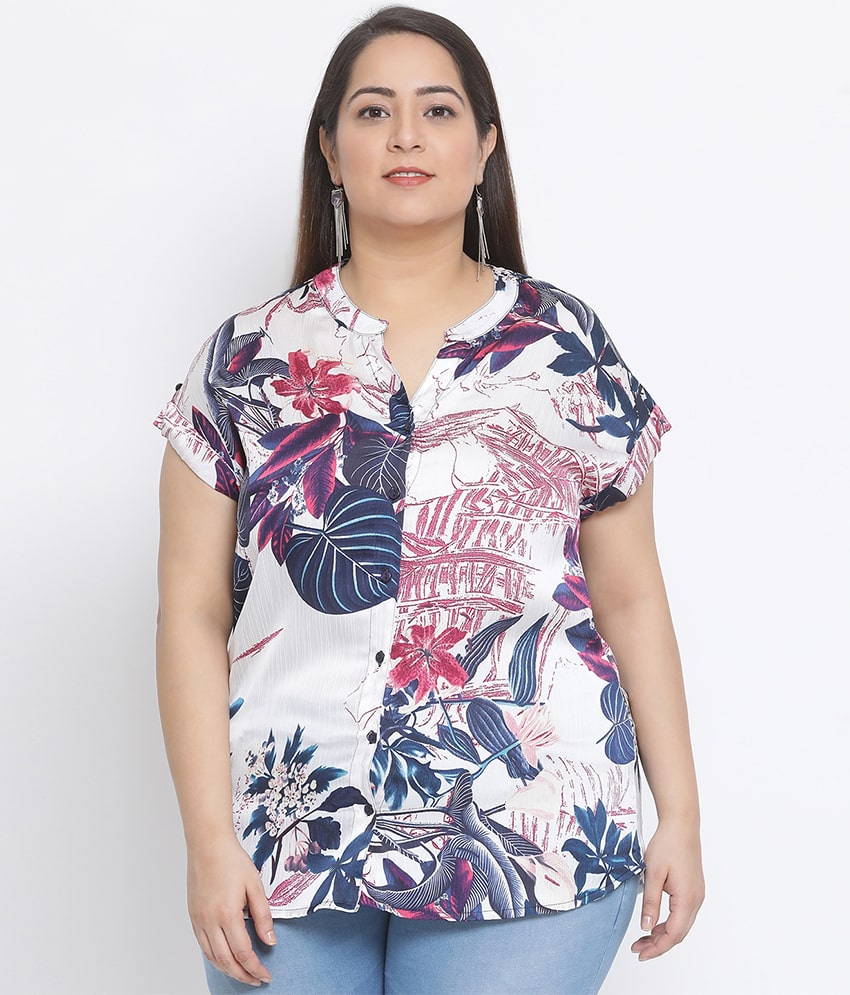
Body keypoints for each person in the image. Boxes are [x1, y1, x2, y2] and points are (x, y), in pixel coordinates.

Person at [155, 6, 704, 993]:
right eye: (373, 111)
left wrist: (682, 816)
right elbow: (191, 611)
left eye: (438, 110)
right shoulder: (243, 361)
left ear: (485, 145)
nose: (405, 135)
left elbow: (629, 597)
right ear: (331, 150)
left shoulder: (566, 348)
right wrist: (206, 841)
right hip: (284, 839)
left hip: (530, 836)